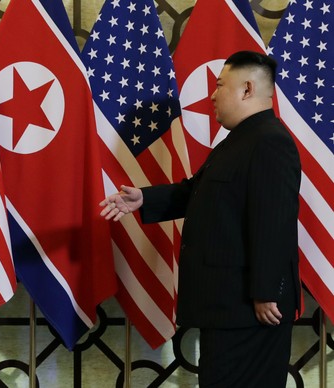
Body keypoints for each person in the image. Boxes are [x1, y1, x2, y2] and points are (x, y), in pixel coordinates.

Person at [100, 51, 301, 387]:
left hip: (251, 310)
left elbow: (275, 222)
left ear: (247, 89)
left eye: (220, 85)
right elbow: (196, 192)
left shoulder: (269, 141)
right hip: (229, 308)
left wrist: (266, 291)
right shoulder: (239, 140)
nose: (212, 94)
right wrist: (144, 198)